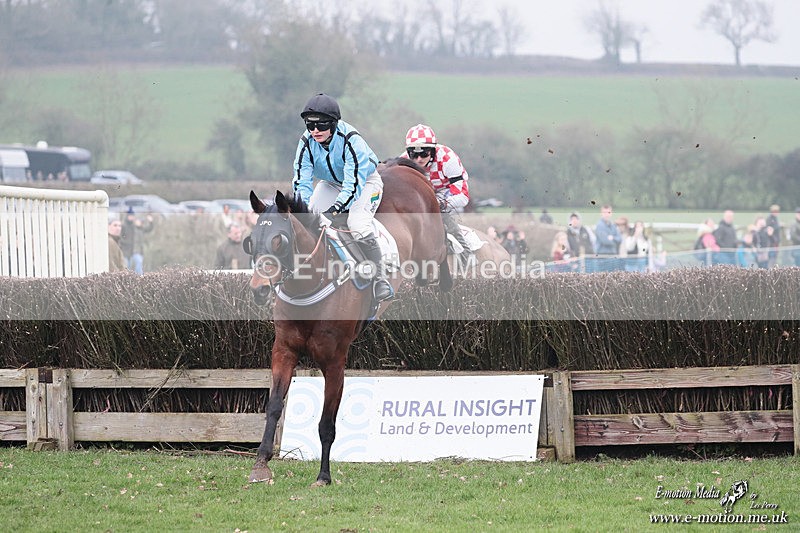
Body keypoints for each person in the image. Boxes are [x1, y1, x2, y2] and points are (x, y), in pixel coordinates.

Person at [292, 93, 392, 301]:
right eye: (310, 125)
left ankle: (380, 278)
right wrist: (302, 210)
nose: (315, 131)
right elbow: (302, 180)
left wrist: (336, 208)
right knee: (310, 219)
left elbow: (353, 184)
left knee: (357, 224)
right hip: (330, 183)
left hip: (365, 182)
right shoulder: (306, 141)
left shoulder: (351, 140)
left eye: (321, 125)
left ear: (333, 123)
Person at [402, 123, 472, 268]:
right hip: (424, 194)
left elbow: (463, 197)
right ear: (408, 153)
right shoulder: (404, 162)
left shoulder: (447, 158)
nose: (419, 159)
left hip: (447, 191)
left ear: (433, 151)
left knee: (441, 215)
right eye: (414, 154)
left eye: (424, 154)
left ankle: (466, 253)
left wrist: (441, 204)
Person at [119, 207, 154, 275]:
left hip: (137, 250)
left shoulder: (138, 227)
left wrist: (150, 222)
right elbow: (120, 236)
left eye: (132, 216)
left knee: (139, 263)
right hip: (126, 251)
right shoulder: (124, 226)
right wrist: (124, 243)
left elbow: (148, 229)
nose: (131, 217)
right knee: (126, 267)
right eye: (130, 216)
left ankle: (139, 278)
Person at [594, 205, 622, 271]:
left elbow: (620, 239)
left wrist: (613, 238)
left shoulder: (613, 225)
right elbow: (605, 241)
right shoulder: (599, 226)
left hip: (613, 256)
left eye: (608, 212)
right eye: (604, 212)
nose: (606, 214)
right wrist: (615, 241)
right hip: (602, 257)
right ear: (601, 213)